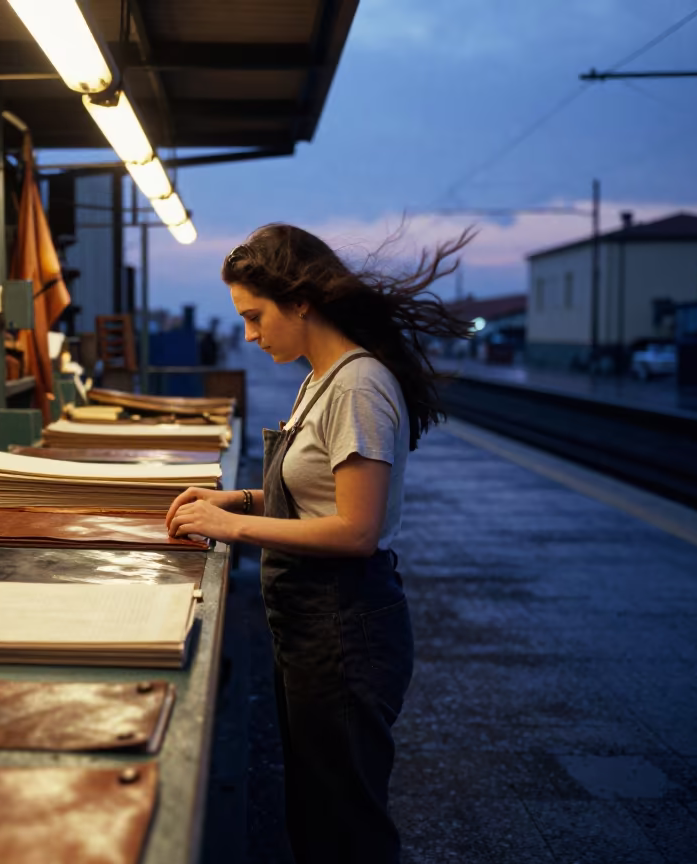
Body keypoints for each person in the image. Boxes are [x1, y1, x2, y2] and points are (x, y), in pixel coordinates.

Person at [165, 223, 474, 864]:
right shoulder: (321, 379)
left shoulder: (358, 386)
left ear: (299, 300)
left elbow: (356, 531)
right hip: (313, 625)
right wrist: (235, 499)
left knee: (346, 827)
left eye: (255, 316)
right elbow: (314, 499)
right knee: (316, 812)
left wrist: (234, 527)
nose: (250, 334)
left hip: (346, 628)